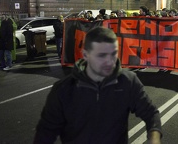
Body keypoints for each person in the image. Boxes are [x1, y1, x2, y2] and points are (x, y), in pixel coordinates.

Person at [34, 27, 162, 143]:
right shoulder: (63, 89)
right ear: (85, 55)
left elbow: (151, 113)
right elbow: (45, 133)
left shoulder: (128, 81)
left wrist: (154, 138)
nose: (109, 61)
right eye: (102, 55)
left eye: (114, 54)